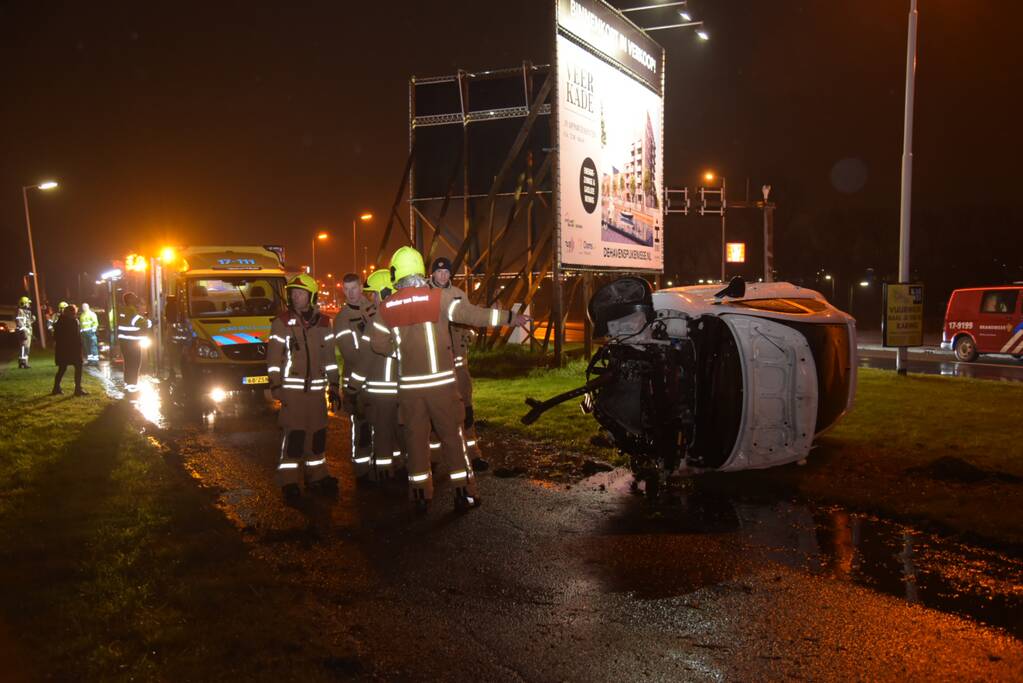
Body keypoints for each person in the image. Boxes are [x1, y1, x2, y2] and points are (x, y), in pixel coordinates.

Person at [369, 246, 529, 514]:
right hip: (442, 386)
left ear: (397, 273)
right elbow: (472, 315)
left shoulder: (387, 307)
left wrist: (401, 351)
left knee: (417, 443)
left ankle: (420, 495)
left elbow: (378, 343)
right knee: (453, 440)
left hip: (410, 390)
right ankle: (464, 494)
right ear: (422, 271)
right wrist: (510, 318)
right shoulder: (439, 298)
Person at [266, 273, 341, 501]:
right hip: (293, 392)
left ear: (311, 296)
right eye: (294, 293)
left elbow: (330, 358)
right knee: (295, 437)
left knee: (317, 435)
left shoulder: (324, 323)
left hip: (317, 393)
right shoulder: (281, 322)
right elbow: (273, 359)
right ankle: (289, 481)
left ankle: (317, 475)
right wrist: (276, 386)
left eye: (301, 293)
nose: (296, 297)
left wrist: (335, 385)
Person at [428, 256, 487, 470]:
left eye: (446, 272)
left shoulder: (459, 294)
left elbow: (470, 316)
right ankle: (433, 459)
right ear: (432, 273)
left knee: (467, 412)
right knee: (435, 415)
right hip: (436, 368)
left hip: (460, 368)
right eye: (439, 272)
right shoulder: (425, 295)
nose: (443, 276)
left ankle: (473, 454)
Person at [355, 269, 403, 481]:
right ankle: (404, 467)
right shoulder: (403, 315)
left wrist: (352, 387)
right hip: (403, 388)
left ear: (383, 292)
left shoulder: (377, 319)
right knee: (402, 431)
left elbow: (364, 358)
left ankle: (384, 472)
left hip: (382, 391)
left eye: (373, 293)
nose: (371, 298)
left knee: (382, 434)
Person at [333, 272, 374, 479]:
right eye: (346, 289)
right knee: (362, 428)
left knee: (387, 425)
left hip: (380, 381)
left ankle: (387, 468)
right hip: (356, 383)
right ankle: (363, 470)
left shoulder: (376, 310)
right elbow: (349, 354)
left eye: (354, 288)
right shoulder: (341, 318)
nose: (350, 294)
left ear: (361, 288)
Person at [117, 292, 151, 392]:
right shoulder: (131, 310)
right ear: (129, 300)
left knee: (128, 362)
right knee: (135, 362)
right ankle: (132, 384)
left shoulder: (123, 310)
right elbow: (139, 323)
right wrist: (150, 321)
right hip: (132, 341)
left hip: (124, 341)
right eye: (134, 298)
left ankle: (128, 382)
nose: (136, 299)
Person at [52, 304, 87, 396]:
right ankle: (78, 389)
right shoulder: (73, 321)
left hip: (62, 350)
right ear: (72, 313)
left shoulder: (59, 322)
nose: (75, 314)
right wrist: (80, 346)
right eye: (75, 312)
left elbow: (55, 336)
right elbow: (76, 336)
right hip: (73, 350)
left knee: (62, 368)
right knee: (78, 367)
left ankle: (56, 388)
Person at [15, 296, 34, 369]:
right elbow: (19, 322)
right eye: (28, 303)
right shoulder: (20, 311)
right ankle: (23, 363)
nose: (29, 305)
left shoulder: (27, 312)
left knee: (26, 348)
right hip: (23, 332)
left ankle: (24, 362)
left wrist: (32, 320)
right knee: (24, 348)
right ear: (24, 303)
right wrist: (24, 331)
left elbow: (27, 323)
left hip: (27, 332)